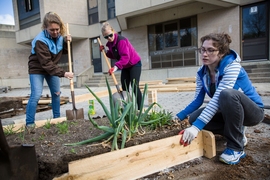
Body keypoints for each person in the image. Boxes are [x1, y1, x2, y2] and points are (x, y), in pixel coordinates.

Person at [176, 33, 264, 165]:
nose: (205, 54)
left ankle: (236, 148)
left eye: (211, 50)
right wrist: (178, 117)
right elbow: (197, 100)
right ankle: (237, 134)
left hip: (253, 112)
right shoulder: (202, 72)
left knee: (227, 94)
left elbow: (218, 99)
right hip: (228, 110)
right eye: (203, 49)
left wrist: (196, 128)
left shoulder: (232, 66)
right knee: (194, 118)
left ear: (221, 52)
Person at [25, 12, 74, 133]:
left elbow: (64, 52)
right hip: (37, 68)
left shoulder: (59, 37)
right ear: (45, 28)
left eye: (57, 29)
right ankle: (29, 123)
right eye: (52, 30)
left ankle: (56, 119)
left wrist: (68, 42)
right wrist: (64, 73)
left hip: (51, 67)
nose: (55, 32)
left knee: (56, 93)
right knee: (36, 94)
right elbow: (46, 63)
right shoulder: (40, 40)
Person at [100, 22, 142, 109]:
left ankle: (140, 109)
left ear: (113, 31)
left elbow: (125, 57)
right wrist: (105, 51)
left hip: (134, 64)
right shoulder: (111, 44)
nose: (109, 38)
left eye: (110, 35)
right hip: (125, 66)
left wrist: (115, 67)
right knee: (124, 87)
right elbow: (113, 55)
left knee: (134, 87)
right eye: (106, 37)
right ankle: (128, 109)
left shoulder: (121, 41)